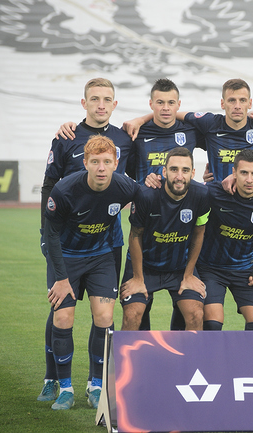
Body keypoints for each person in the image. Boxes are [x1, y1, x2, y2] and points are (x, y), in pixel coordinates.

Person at [58, 78, 205, 331]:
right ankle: (138, 355)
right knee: (136, 311)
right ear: (151, 103)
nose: (166, 108)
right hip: (146, 223)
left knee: (192, 310)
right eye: (159, 103)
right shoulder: (133, 135)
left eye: (171, 103)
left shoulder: (191, 131)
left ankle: (183, 354)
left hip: (179, 234)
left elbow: (225, 129)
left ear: (179, 104)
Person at [38, 78, 133, 405]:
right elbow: (49, 186)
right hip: (65, 241)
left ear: (114, 104)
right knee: (61, 311)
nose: (101, 105)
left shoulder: (125, 139)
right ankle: (54, 379)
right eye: (94, 99)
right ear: (84, 103)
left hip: (106, 243)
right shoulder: (66, 137)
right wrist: (45, 234)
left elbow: (135, 185)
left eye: (107, 99)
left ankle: (96, 384)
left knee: (103, 314)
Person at [119, 147, 210, 331]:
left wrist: (189, 275)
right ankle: (126, 353)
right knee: (132, 315)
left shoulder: (202, 195)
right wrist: (138, 278)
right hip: (144, 266)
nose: (179, 176)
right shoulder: (146, 195)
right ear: (164, 171)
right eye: (174, 169)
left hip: (179, 267)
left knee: (196, 314)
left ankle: (187, 352)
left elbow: (199, 233)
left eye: (185, 170)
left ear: (193, 173)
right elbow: (135, 235)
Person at [199, 149, 253, 331]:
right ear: (234, 172)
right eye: (244, 173)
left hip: (247, 271)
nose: (249, 179)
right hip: (211, 269)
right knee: (212, 323)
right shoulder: (213, 192)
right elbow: (184, 189)